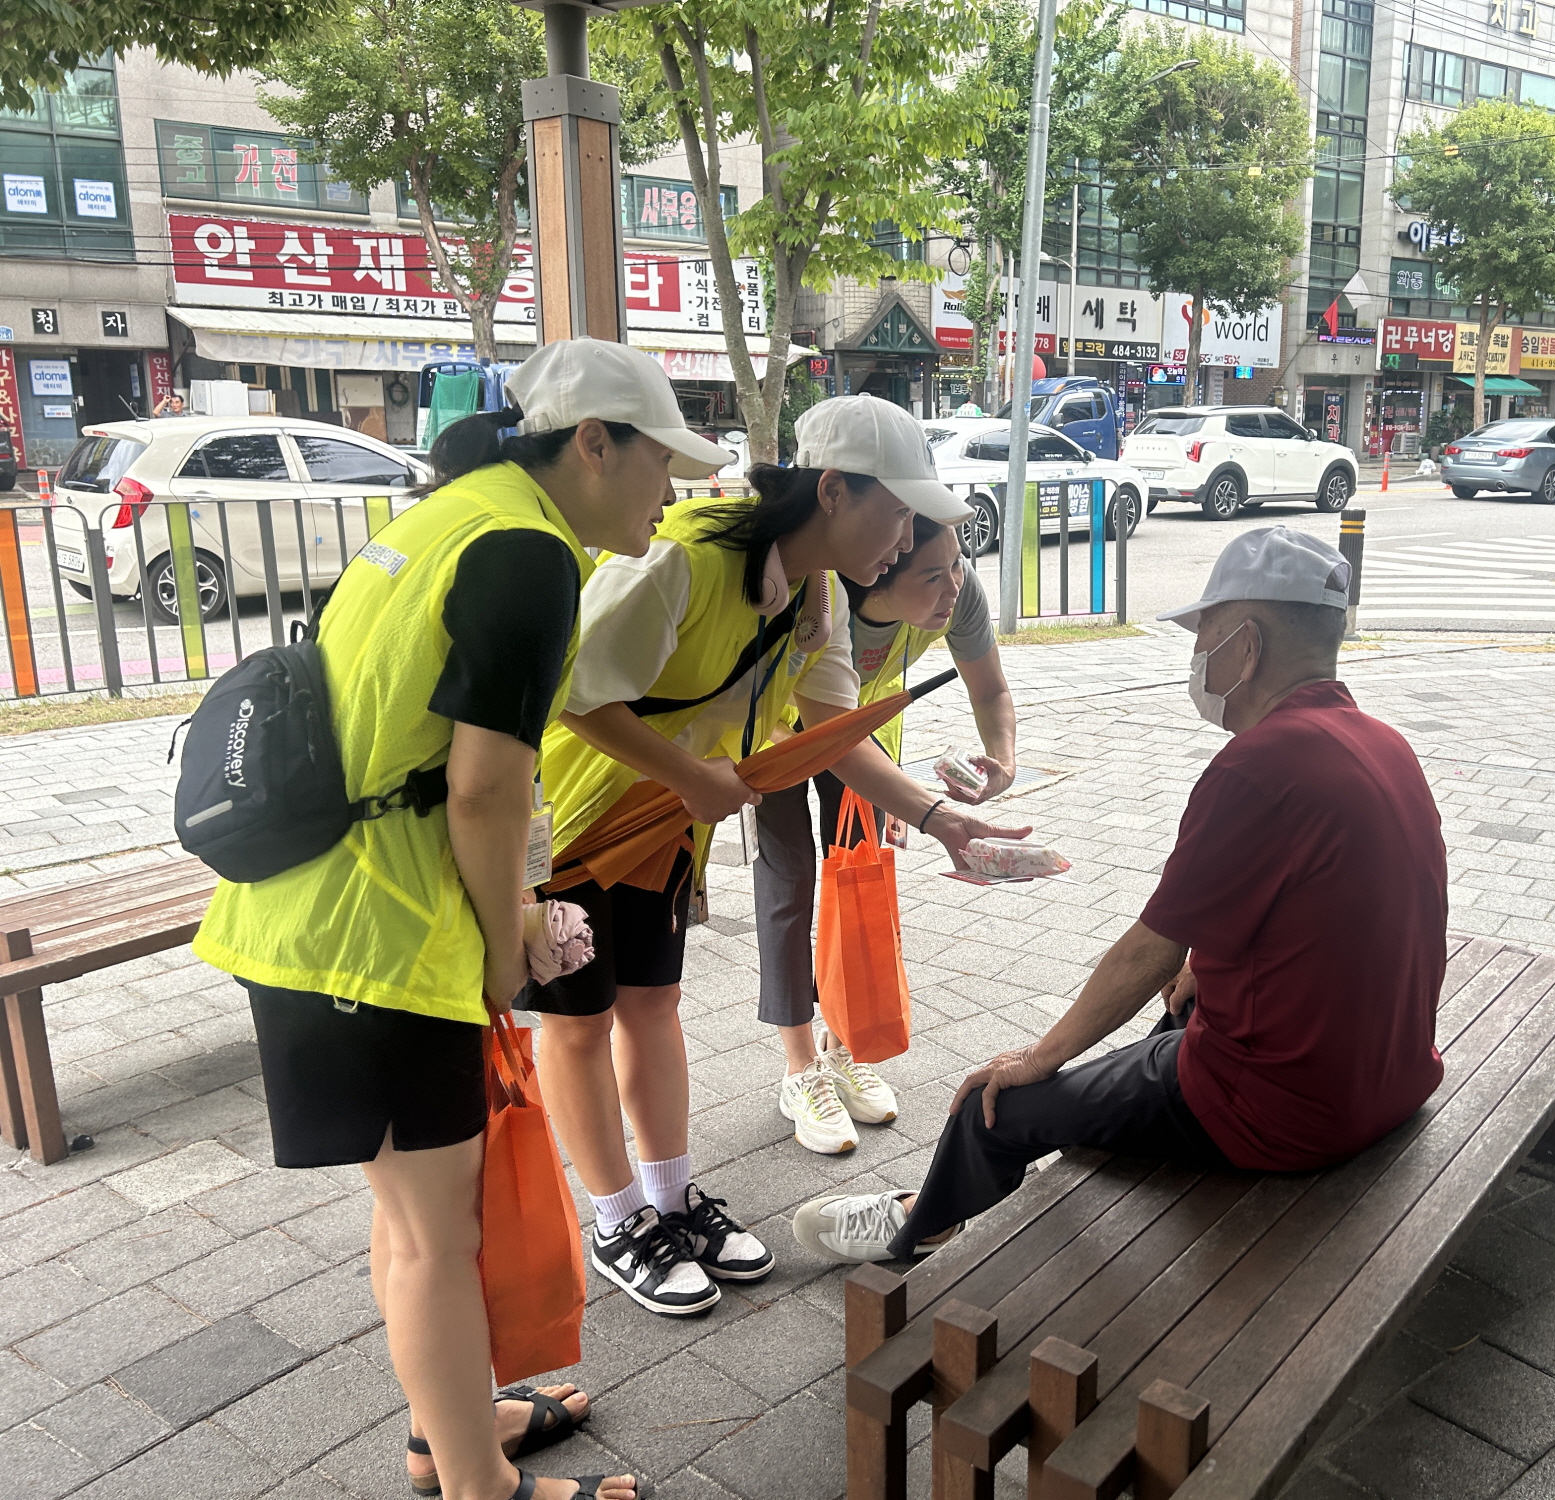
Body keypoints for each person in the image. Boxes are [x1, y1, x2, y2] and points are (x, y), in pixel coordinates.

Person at [192, 337, 687, 1500]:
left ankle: (451, 1428)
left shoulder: (460, 511)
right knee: (429, 1233)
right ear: (594, 444)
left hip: (306, 909)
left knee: (411, 1213)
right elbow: (481, 785)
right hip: (372, 932)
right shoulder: (524, 552)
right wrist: (504, 939)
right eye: (660, 460)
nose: (671, 490)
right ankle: (476, 1483)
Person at [791, 526, 1449, 1263]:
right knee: (1181, 1001)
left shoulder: (1257, 768)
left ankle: (916, 1228)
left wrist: (1039, 1058)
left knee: (994, 1105)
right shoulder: (1382, 742)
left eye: (1206, 633)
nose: (1198, 654)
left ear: (1248, 645)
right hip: (1392, 1077)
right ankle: (1100, 1130)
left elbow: (1146, 951)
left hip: (1282, 1114)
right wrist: (1198, 964)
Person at [526, 393, 1028, 1316]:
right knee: (579, 1022)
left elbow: (836, 727)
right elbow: (566, 691)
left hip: (665, 832)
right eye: (900, 511)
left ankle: (672, 1199)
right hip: (573, 827)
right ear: (833, 490)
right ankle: (617, 1219)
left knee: (653, 1005)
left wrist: (935, 816)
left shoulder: (818, 589)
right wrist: (690, 776)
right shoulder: (683, 559)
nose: (908, 535)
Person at [754, 510, 1018, 1153]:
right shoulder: (822, 596)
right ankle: (800, 1070)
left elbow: (990, 693)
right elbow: (778, 704)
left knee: (860, 882)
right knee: (789, 883)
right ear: (878, 568)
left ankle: (843, 1045)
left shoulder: (958, 593)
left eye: (956, 565)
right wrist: (928, 807)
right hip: (779, 735)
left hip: (864, 736)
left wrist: (1001, 765)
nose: (955, 586)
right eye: (932, 575)